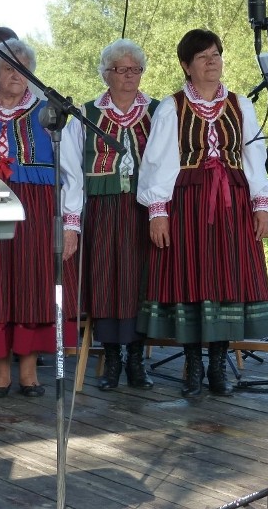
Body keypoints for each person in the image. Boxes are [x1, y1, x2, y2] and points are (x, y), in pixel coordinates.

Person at [136, 28, 268, 397]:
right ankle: (193, 364)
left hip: (232, 204)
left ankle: (218, 366)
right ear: (186, 65)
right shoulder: (172, 106)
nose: (212, 61)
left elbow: (254, 159)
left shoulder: (240, 105)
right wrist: (158, 212)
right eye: (203, 56)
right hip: (189, 204)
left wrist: (261, 206)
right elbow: (158, 164)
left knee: (226, 279)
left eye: (216, 54)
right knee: (192, 277)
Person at [0, 38, 80, 398]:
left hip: (35, 212)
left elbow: (71, 174)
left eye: (22, 68)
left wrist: (70, 224)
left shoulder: (48, 112)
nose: (16, 75)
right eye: (8, 67)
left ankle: (27, 369)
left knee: (31, 285)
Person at [61, 39, 158, 391]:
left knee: (139, 282)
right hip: (101, 210)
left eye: (136, 69)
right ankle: (112, 357)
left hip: (143, 209)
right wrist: (71, 221)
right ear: (106, 73)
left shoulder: (158, 111)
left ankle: (136, 359)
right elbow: (72, 173)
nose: (130, 76)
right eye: (121, 69)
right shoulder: (84, 115)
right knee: (105, 280)